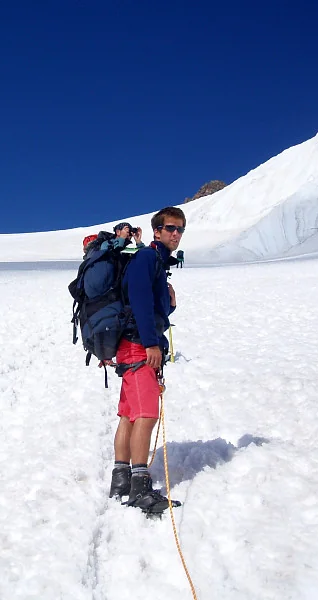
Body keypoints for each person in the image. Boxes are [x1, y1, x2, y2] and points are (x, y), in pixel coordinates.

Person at [108, 206, 186, 513]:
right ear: (157, 231)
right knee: (146, 414)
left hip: (132, 345)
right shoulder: (147, 258)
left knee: (129, 415)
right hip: (140, 346)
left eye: (180, 229)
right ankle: (140, 488)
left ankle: (121, 481)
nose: (176, 234)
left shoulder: (153, 261)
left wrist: (170, 305)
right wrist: (152, 344)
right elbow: (140, 301)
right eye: (170, 228)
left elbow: (150, 308)